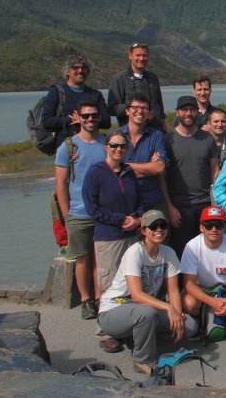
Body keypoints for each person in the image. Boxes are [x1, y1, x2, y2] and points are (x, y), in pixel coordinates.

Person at [97, 210, 197, 376]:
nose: (159, 230)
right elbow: (136, 295)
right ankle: (142, 359)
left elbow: (173, 290)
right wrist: (168, 308)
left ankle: (136, 338)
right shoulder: (134, 253)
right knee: (147, 314)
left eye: (163, 225)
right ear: (143, 230)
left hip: (142, 311)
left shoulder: (168, 253)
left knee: (190, 326)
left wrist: (177, 314)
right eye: (153, 226)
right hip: (114, 309)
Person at [54, 100, 106, 320]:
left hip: (105, 212)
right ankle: (86, 300)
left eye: (94, 115)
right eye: (86, 116)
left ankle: (99, 298)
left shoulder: (108, 143)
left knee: (101, 258)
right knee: (83, 258)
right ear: (79, 119)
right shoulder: (67, 147)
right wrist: (67, 215)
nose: (90, 119)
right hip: (79, 212)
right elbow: (61, 184)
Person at [84, 130, 145, 299]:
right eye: (114, 145)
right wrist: (121, 220)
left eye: (123, 146)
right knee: (110, 283)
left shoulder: (129, 171)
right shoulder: (95, 173)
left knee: (133, 280)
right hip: (109, 238)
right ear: (106, 147)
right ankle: (106, 320)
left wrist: (138, 219)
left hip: (132, 235)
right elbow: (92, 208)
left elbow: (139, 200)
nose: (118, 149)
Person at [165, 96, 221, 257]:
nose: (188, 113)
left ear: (197, 112)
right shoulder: (168, 140)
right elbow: (162, 178)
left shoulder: (207, 138)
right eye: (184, 110)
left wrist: (214, 204)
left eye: (192, 110)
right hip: (179, 206)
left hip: (204, 204)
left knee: (207, 251)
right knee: (182, 252)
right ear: (177, 112)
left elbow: (214, 172)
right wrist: (169, 206)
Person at [181, 206, 226, 320]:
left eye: (219, 225)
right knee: (188, 303)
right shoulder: (192, 246)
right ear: (201, 227)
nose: (214, 229)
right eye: (209, 225)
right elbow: (189, 284)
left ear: (225, 227)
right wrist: (212, 302)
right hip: (202, 288)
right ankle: (203, 318)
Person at [40, 53, 111, 149]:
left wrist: (85, 119)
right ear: (67, 72)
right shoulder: (57, 92)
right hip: (65, 148)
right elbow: (46, 121)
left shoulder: (96, 94)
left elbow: (107, 122)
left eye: (84, 68)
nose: (80, 70)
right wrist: (71, 120)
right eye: (75, 68)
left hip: (93, 146)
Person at [118, 93, 168, 212]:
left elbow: (159, 168)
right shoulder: (116, 136)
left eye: (144, 108)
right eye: (135, 107)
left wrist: (124, 168)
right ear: (127, 111)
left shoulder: (156, 136)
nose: (140, 111)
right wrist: (149, 167)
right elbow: (112, 171)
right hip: (124, 203)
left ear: (149, 113)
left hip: (151, 202)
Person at [107, 42, 165, 131]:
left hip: (154, 130)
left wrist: (164, 128)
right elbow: (112, 108)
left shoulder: (153, 78)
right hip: (130, 133)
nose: (141, 58)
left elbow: (159, 107)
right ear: (130, 56)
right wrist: (137, 110)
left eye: (144, 55)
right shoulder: (119, 79)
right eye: (138, 55)